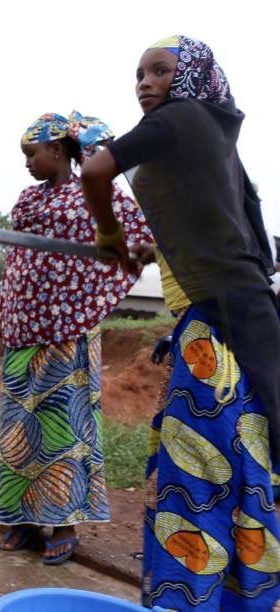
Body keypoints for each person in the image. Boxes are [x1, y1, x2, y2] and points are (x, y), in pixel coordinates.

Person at [82, 35, 280, 610]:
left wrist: (111, 236)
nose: (145, 83)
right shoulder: (213, 135)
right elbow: (216, 227)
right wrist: (153, 253)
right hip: (241, 315)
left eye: (159, 71)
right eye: (139, 74)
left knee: (197, 473)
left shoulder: (179, 116)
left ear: (190, 76)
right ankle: (238, 599)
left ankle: (186, 601)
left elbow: (96, 171)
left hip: (214, 324)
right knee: (243, 463)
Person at [0, 112, 151, 564]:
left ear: (58, 150)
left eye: (32, 154)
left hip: (67, 333)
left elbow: (136, 242)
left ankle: (64, 522)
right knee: (19, 430)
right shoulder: (27, 200)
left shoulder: (94, 193)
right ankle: (22, 519)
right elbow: (15, 263)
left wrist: (90, 289)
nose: (27, 164)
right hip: (25, 332)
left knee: (64, 430)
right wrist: (4, 317)